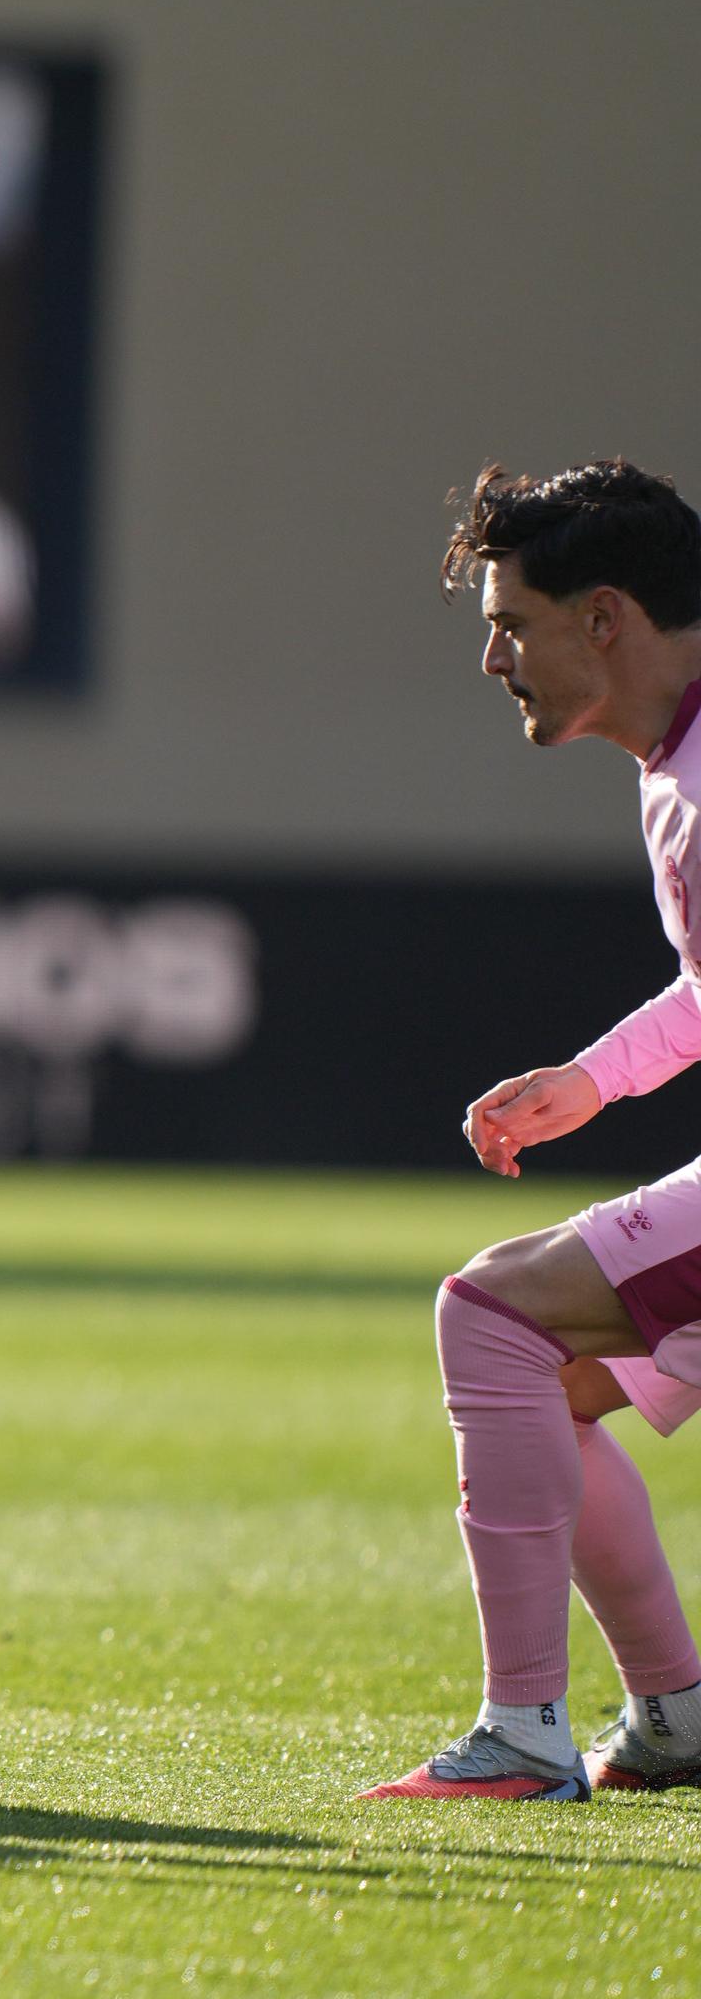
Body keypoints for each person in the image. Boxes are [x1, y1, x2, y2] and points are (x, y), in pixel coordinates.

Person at [375, 459, 701, 1801]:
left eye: (514, 620)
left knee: (492, 1313)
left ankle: (524, 1730)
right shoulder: (673, 756)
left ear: (606, 616)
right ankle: (675, 1717)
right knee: (545, 1373)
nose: (495, 655)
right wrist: (594, 1077)